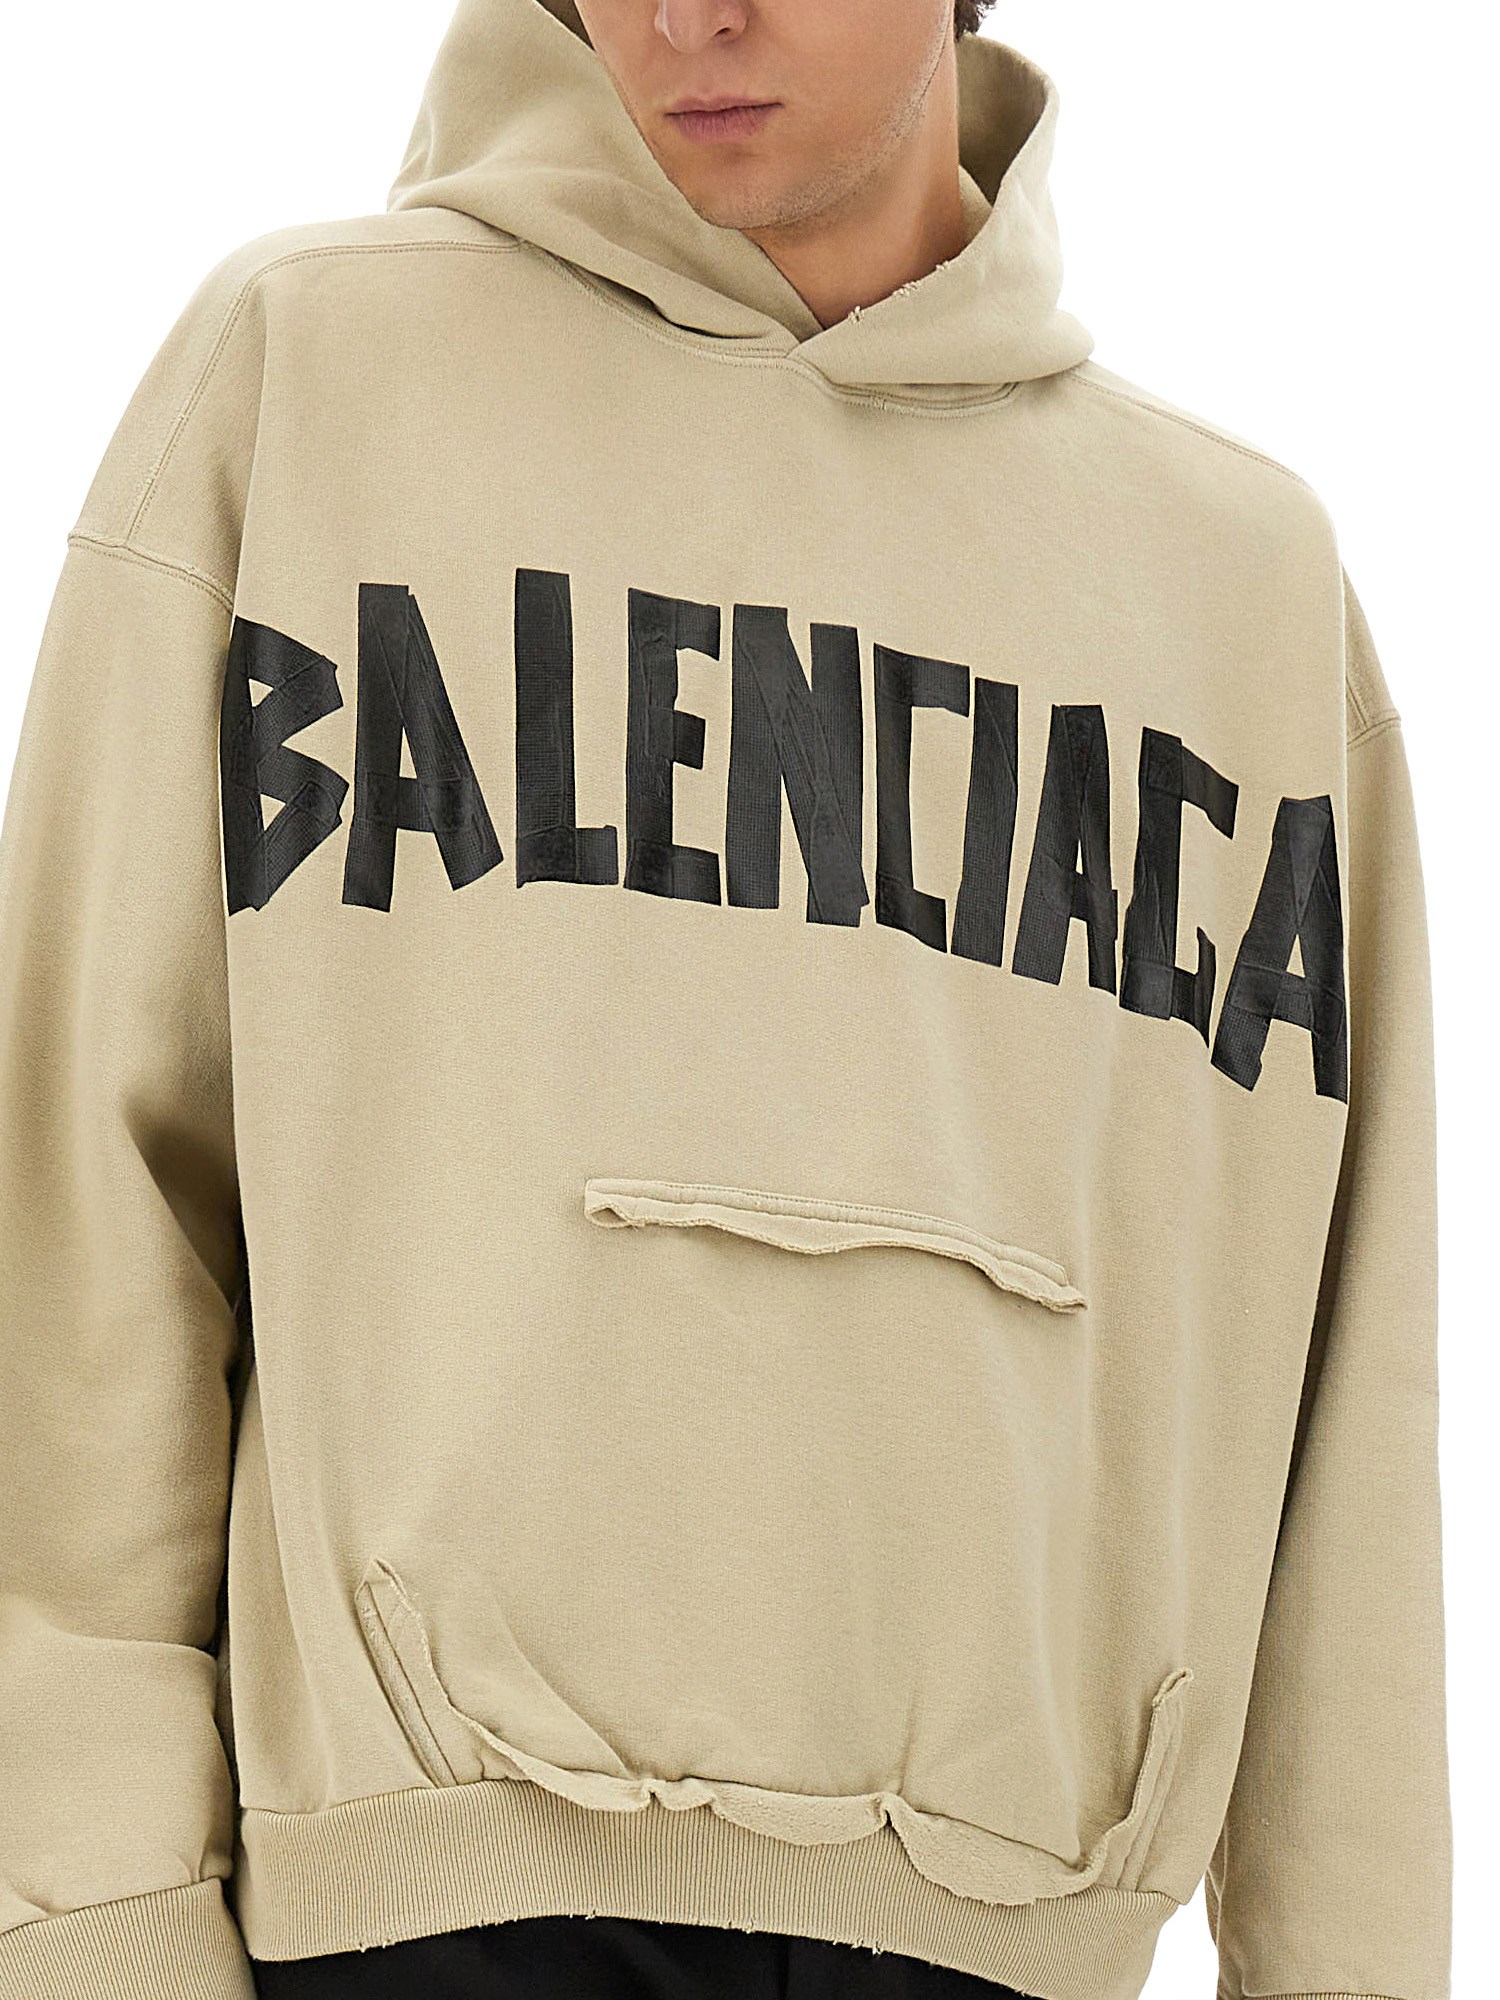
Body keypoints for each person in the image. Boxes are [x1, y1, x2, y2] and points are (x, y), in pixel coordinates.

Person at [0, 2, 1452, 1999]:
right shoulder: (313, 374)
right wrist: (93, 1938)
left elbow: (1348, 1410)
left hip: (1007, 1948)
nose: (690, 13)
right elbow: (85, 1239)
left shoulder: (1240, 585)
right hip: (403, 1922)